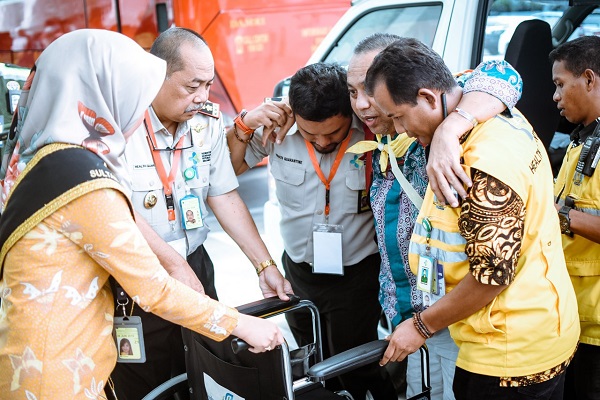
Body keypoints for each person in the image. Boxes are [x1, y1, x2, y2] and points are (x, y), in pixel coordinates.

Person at [0, 29, 284, 400]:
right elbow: (153, 287)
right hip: (57, 378)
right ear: (103, 88)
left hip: (55, 363)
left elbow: (222, 193)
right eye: (131, 87)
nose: (137, 102)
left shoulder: (53, 158)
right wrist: (241, 324)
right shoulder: (79, 175)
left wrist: (262, 267)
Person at [365, 38, 580, 400]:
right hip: (541, 322)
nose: (399, 130)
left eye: (399, 116)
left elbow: (491, 276)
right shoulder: (483, 106)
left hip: (507, 354)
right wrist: (449, 129)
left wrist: (421, 325)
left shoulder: (477, 167)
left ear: (429, 98)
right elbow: (497, 73)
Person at [110, 27, 293, 399]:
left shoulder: (206, 123)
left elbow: (223, 195)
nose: (202, 97)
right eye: (192, 86)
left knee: (202, 370)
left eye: (207, 85)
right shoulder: (119, 126)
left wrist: (264, 265)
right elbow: (119, 209)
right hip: (138, 279)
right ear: (155, 75)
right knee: (147, 383)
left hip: (196, 268)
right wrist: (174, 267)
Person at [345, 33, 523, 400]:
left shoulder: (440, 116)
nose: (363, 104)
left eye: (370, 89)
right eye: (352, 92)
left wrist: (449, 130)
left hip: (457, 314)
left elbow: (504, 74)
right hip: (406, 308)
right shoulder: (383, 129)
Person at [227, 62, 397, 399]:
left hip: (357, 274)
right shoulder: (278, 129)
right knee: (311, 362)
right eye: (310, 134)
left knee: (355, 365)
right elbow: (229, 172)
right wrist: (244, 125)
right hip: (298, 272)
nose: (322, 141)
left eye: (333, 134)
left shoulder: (372, 129)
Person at [549, 35, 600, 400]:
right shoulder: (581, 139)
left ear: (588, 78)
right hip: (573, 320)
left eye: (560, 84)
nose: (555, 96)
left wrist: (560, 217)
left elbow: (565, 214)